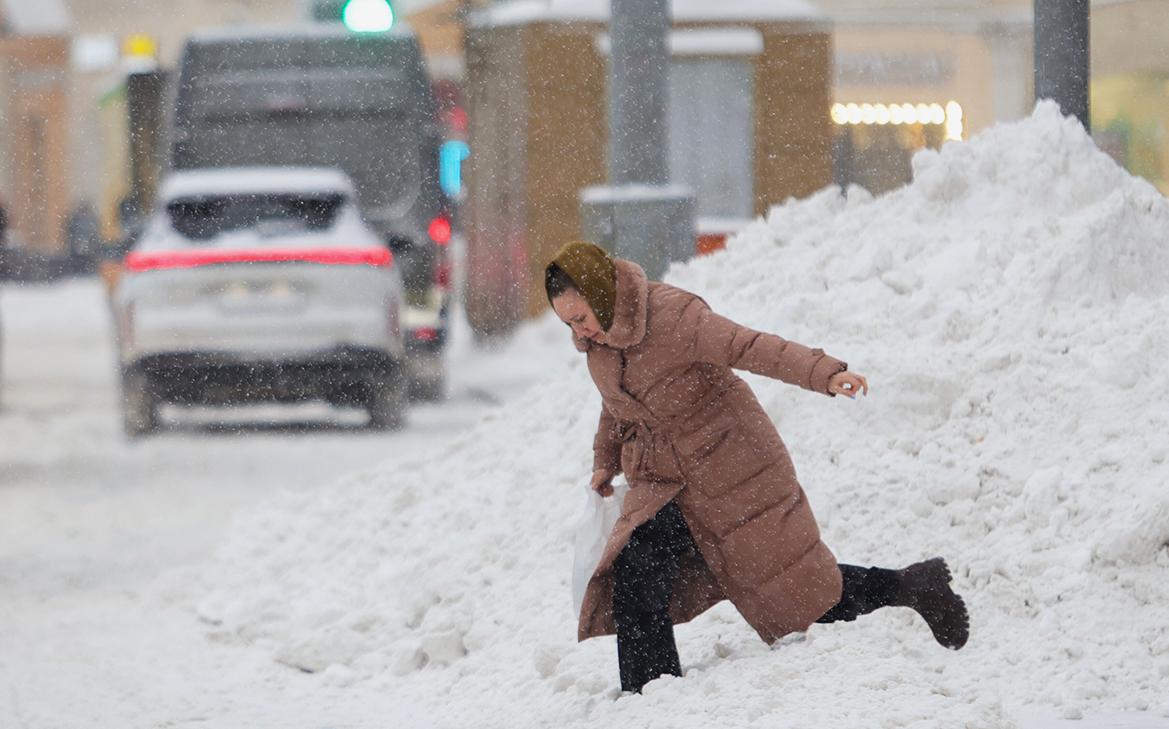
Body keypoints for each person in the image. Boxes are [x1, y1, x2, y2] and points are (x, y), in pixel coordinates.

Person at [547, 241, 969, 694]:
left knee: (801, 594)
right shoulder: (601, 343)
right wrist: (604, 462)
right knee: (635, 572)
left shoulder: (672, 317)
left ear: (601, 293)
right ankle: (649, 698)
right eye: (567, 323)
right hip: (665, 481)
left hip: (732, 467)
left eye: (580, 317)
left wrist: (823, 372)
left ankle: (913, 585)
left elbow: (749, 346)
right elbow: (618, 404)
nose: (578, 332)